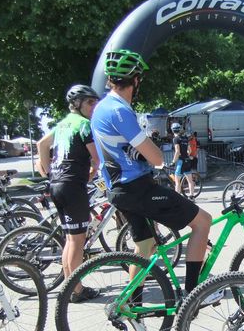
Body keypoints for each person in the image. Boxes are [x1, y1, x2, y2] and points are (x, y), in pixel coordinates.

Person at [90, 49, 212, 309]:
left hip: (119, 189)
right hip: (137, 188)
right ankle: (193, 295)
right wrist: (153, 149)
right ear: (136, 80)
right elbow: (156, 158)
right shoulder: (120, 111)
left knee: (145, 245)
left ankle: (131, 306)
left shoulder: (101, 108)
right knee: (203, 222)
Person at [36, 85, 101, 302]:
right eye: (90, 102)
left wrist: (47, 172)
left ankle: (70, 286)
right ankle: (77, 290)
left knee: (70, 239)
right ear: (77, 104)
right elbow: (97, 158)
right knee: (77, 241)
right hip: (72, 186)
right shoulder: (83, 125)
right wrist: (91, 174)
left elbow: (42, 144)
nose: (94, 106)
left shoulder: (63, 124)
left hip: (57, 185)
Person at [173, 126, 195, 199]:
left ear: (173, 131)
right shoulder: (185, 138)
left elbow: (177, 151)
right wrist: (186, 154)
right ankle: (191, 196)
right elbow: (190, 150)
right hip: (187, 160)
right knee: (190, 180)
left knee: (177, 181)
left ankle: (177, 198)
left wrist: (173, 161)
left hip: (181, 161)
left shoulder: (176, 139)